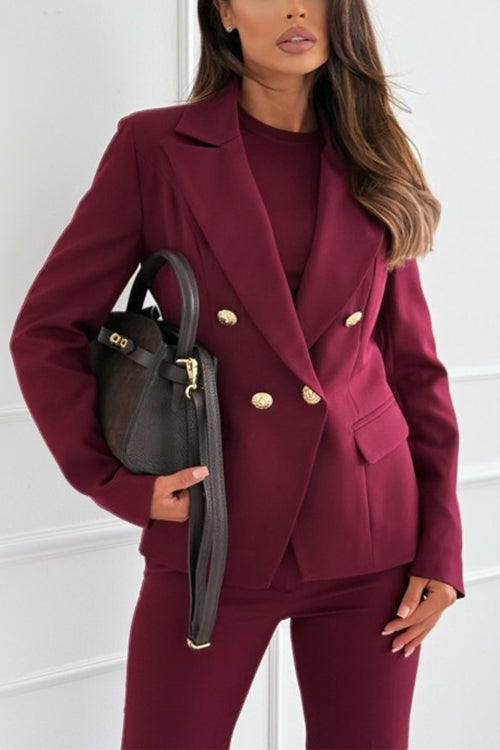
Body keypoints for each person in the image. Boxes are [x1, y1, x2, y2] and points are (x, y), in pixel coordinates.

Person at [9, 1, 466, 748]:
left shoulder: (375, 154)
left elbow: (415, 371)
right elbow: (46, 331)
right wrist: (115, 483)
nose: (295, 9)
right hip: (213, 533)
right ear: (222, 11)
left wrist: (442, 548)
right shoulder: (155, 148)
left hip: (371, 537)